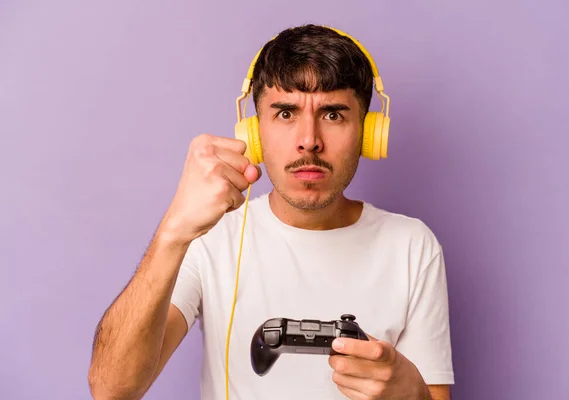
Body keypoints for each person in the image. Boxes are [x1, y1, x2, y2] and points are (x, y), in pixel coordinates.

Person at [87, 24, 454, 400]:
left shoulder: (412, 246)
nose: (308, 140)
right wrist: (172, 232)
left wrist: (413, 394)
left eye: (332, 115)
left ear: (368, 131)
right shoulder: (211, 237)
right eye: (285, 113)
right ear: (254, 133)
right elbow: (112, 389)